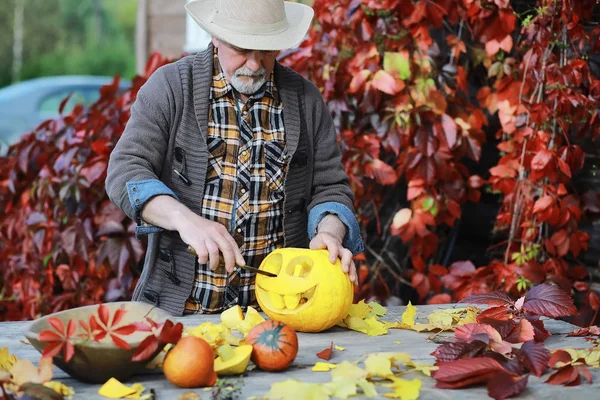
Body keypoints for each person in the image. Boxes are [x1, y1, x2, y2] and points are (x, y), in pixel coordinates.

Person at [105, 0, 364, 316]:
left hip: (279, 314)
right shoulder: (171, 87)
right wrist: (184, 220)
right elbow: (125, 170)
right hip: (181, 312)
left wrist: (329, 232)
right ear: (215, 36)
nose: (255, 65)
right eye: (242, 48)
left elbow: (330, 187)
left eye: (267, 51)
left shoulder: (305, 99)